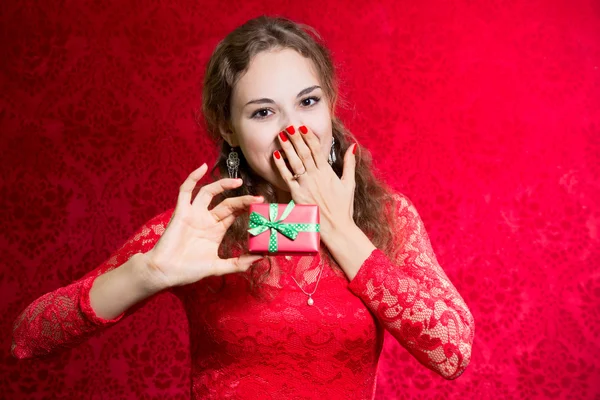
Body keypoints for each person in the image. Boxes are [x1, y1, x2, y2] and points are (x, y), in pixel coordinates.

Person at [11, 15, 475, 399]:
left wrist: (340, 228)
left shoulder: (388, 218)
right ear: (229, 129)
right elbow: (28, 338)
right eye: (263, 112)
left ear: (331, 107)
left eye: (308, 102)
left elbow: (452, 352)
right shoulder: (205, 228)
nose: (294, 130)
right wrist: (145, 273)